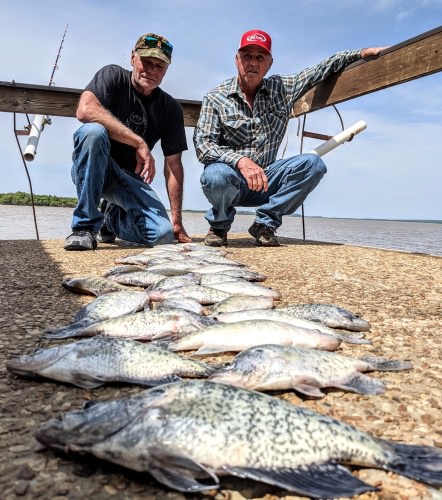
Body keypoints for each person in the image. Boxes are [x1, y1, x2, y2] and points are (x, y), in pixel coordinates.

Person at [194, 29, 384, 247]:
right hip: (231, 179)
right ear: (237, 59)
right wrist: (240, 161)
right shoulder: (215, 97)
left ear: (269, 64)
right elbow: (203, 145)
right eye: (247, 56)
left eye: (260, 57)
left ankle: (265, 224)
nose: (253, 63)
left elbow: (321, 68)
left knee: (313, 164)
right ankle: (219, 226)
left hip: (267, 179)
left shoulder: (283, 87)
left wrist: (360, 53)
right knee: (216, 174)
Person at [64, 32, 192, 251]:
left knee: (163, 234)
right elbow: (85, 110)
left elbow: (173, 166)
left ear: (167, 70)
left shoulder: (170, 108)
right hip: (94, 169)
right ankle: (84, 227)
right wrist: (138, 142)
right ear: (133, 57)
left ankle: (111, 220)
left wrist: (177, 221)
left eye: (159, 66)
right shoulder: (112, 75)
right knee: (93, 132)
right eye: (147, 62)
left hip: (127, 179)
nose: (152, 70)